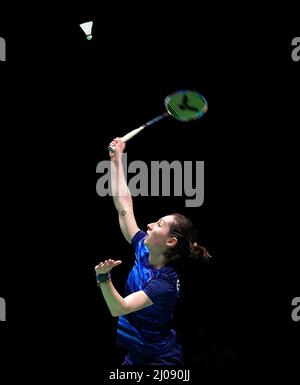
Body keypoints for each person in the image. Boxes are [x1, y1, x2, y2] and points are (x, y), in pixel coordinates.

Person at [95, 137, 210, 365]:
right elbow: (124, 206)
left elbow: (120, 308)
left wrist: (103, 277)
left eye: (158, 224)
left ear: (170, 242)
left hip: (160, 361)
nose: (149, 225)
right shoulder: (143, 248)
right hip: (136, 356)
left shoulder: (164, 283)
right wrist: (116, 161)